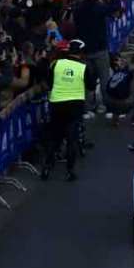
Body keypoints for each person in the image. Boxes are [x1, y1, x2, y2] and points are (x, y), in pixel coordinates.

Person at [43, 40, 87, 181]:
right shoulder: (84, 67)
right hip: (75, 106)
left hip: (57, 104)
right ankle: (70, 171)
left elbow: (49, 83)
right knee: (71, 139)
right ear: (81, 52)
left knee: (54, 137)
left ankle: (46, 168)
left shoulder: (56, 64)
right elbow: (91, 85)